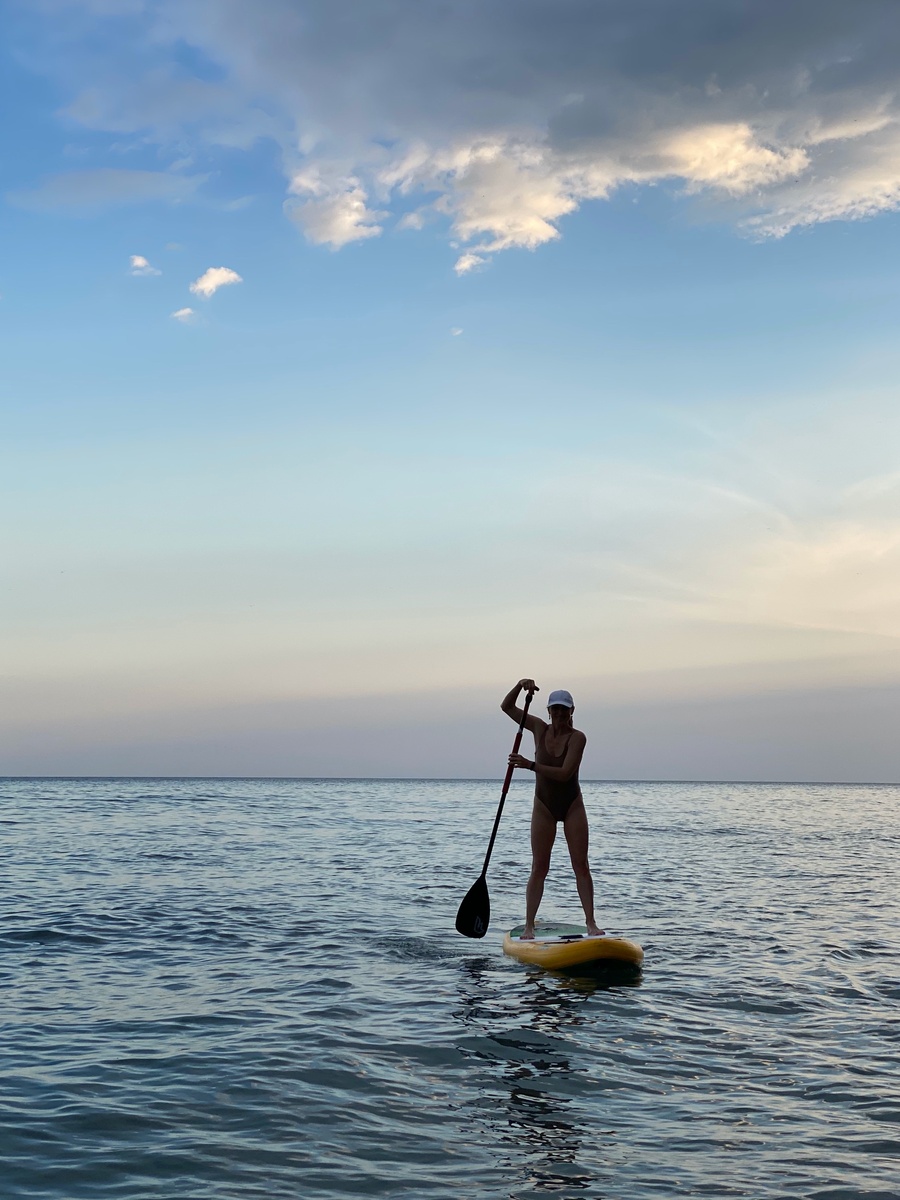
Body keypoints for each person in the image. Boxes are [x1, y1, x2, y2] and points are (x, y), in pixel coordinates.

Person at [502, 678, 603, 940]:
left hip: (572, 806)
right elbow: (507, 707)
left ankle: (591, 923)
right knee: (539, 867)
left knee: (580, 865)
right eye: (554, 709)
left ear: (572, 711)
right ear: (548, 710)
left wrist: (530, 764)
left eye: (564, 709)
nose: (559, 713)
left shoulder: (578, 738)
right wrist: (520, 684)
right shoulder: (537, 727)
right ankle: (528, 926)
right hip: (543, 806)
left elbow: (565, 773)